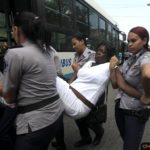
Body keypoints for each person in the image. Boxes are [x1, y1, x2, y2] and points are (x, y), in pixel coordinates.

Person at [1, 11, 64, 150]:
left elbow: (8, 97)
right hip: (55, 116)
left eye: (12, 30)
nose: (12, 33)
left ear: (16, 29)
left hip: (35, 125)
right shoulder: (48, 51)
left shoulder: (14, 54)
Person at [110, 26, 150, 150]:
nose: (130, 44)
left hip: (134, 112)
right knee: (128, 141)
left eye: (134, 40)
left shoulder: (146, 56)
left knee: (130, 146)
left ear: (144, 41)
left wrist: (147, 96)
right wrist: (113, 68)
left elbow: (147, 75)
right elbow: (116, 84)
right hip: (120, 106)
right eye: (128, 41)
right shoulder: (130, 58)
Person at [73, 42, 111, 147]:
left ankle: (99, 133)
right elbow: (80, 75)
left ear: (107, 56)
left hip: (96, 96)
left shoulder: (108, 67)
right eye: (98, 50)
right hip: (82, 94)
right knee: (79, 118)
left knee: (92, 120)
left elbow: (115, 83)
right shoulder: (90, 63)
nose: (99, 52)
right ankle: (86, 138)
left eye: (103, 52)